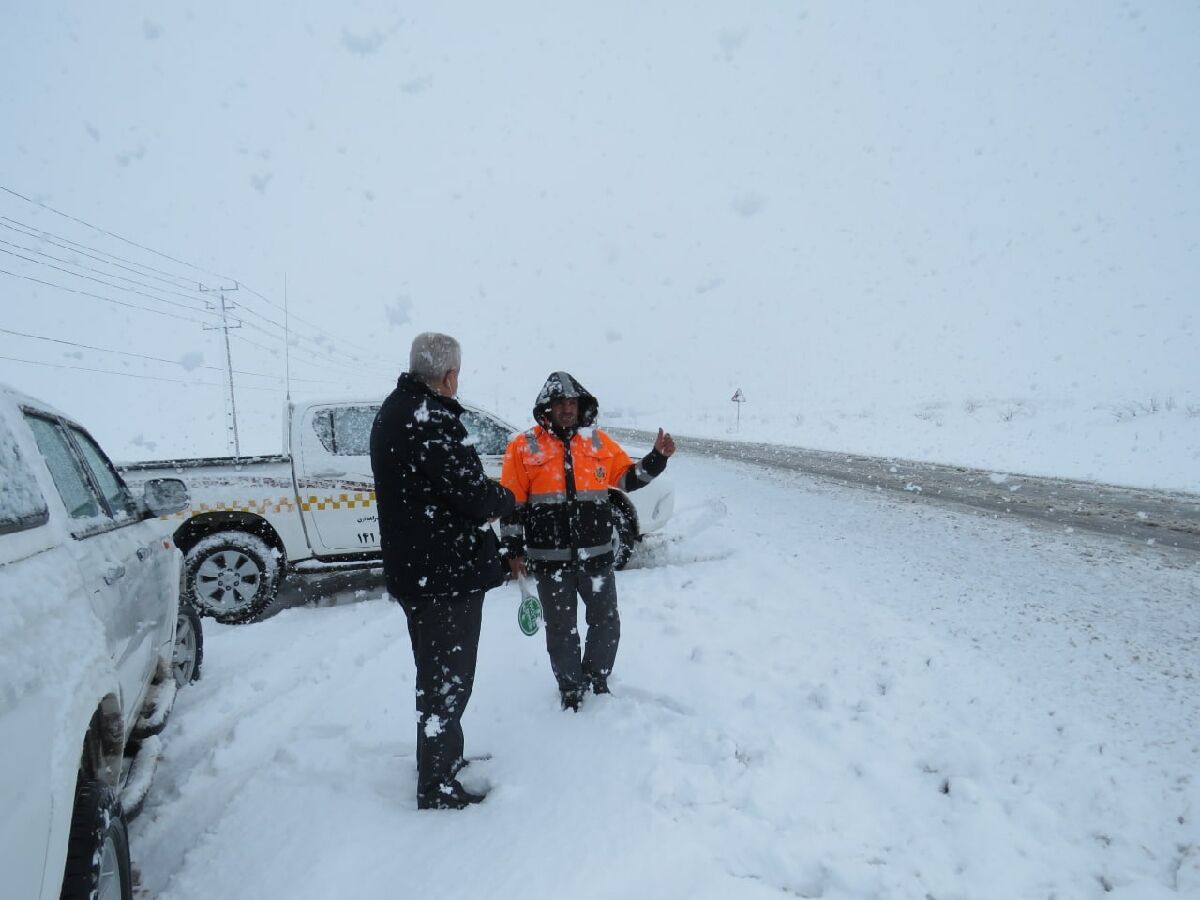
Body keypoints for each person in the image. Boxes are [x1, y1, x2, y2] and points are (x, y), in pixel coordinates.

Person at [369, 332, 515, 810]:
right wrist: (508, 497)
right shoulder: (428, 420)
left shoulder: (397, 410)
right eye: (459, 374)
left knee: (437, 675)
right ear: (449, 375)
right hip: (442, 576)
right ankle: (437, 786)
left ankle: (441, 759)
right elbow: (472, 495)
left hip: (422, 572)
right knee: (446, 681)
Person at [500, 371, 675, 711]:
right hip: (550, 561)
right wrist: (512, 550)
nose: (568, 408)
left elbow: (629, 478)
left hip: (596, 557)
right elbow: (512, 504)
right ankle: (570, 689)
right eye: (561, 403)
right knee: (562, 630)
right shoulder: (523, 446)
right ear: (546, 407)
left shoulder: (597, 443)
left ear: (582, 407)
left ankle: (597, 680)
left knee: (606, 621)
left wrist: (657, 458)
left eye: (573, 402)